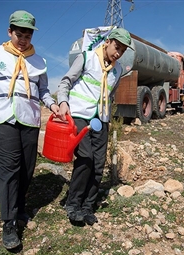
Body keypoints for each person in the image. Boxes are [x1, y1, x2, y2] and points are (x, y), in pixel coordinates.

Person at [0, 10, 61, 250]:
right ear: (10, 32)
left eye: (27, 36)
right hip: (2, 118)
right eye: (19, 34)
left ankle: (19, 207)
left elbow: (43, 91)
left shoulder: (39, 61)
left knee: (27, 168)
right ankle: (9, 223)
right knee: (8, 169)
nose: (23, 40)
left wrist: (53, 106)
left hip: (29, 119)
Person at [57, 27, 134, 226]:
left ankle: (88, 206)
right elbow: (66, 81)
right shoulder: (86, 57)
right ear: (107, 42)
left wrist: (106, 116)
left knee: (98, 164)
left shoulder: (117, 71)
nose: (118, 53)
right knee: (85, 158)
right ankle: (73, 204)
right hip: (80, 116)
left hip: (101, 119)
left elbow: (109, 94)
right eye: (117, 47)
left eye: (123, 51)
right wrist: (63, 102)